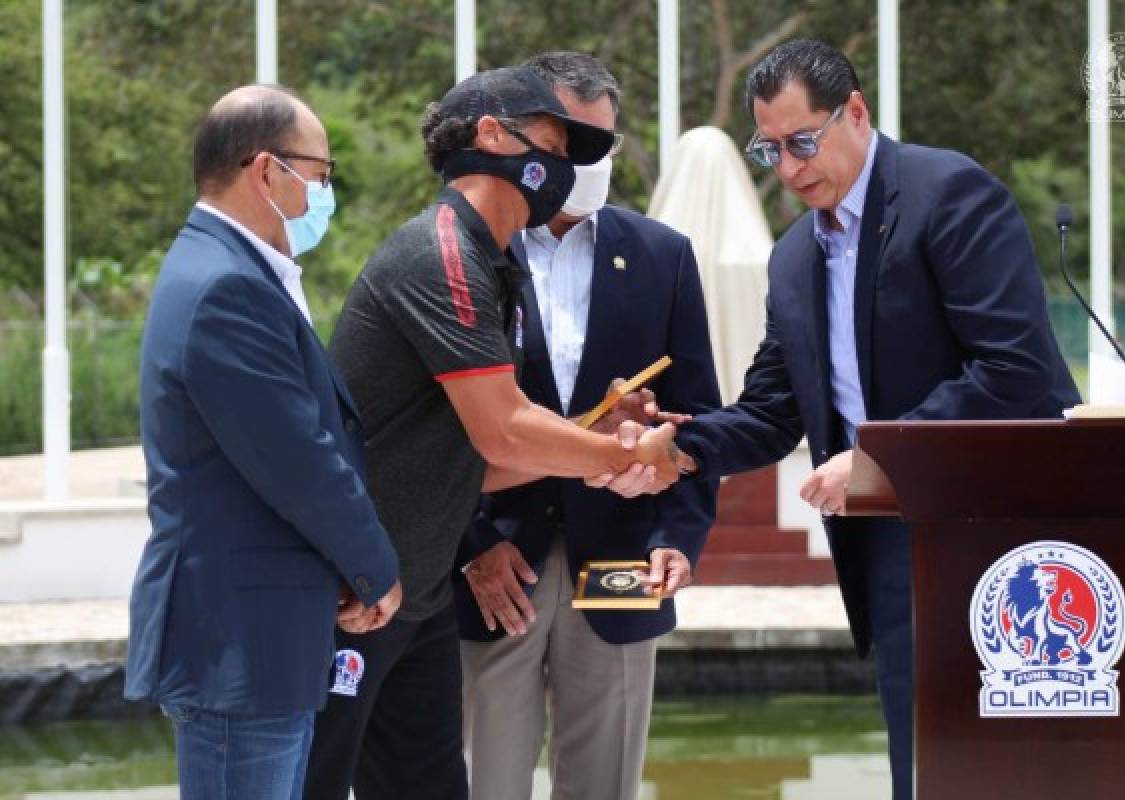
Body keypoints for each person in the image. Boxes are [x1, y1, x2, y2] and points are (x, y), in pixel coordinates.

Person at [661, 40, 1081, 800]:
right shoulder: (792, 256)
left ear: (855, 111)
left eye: (802, 141)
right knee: (919, 770)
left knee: (1018, 771)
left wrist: (878, 455)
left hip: (1003, 537)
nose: (788, 168)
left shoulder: (948, 193)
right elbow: (770, 412)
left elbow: (1014, 371)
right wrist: (676, 448)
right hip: (887, 541)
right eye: (770, 150)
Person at [302, 66, 688, 800]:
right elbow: (506, 433)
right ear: (490, 134)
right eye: (559, 139)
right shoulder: (443, 253)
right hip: (352, 594)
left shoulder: (486, 262)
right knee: (308, 783)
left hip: (412, 596)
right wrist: (622, 454)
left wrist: (590, 438)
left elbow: (477, 461)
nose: (572, 163)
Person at [453, 52, 722, 800]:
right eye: (574, 138)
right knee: (484, 780)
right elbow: (431, 425)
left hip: (625, 557)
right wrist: (472, 544)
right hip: (497, 563)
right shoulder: (472, 247)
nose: (589, 157)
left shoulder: (664, 255)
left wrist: (678, 540)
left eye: (604, 139)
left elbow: (696, 416)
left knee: (606, 784)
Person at [127, 85, 404, 800]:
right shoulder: (226, 286)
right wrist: (375, 568)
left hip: (258, 632)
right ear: (265, 171)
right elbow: (299, 459)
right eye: (320, 174)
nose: (324, 192)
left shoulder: (228, 268)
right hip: (238, 642)